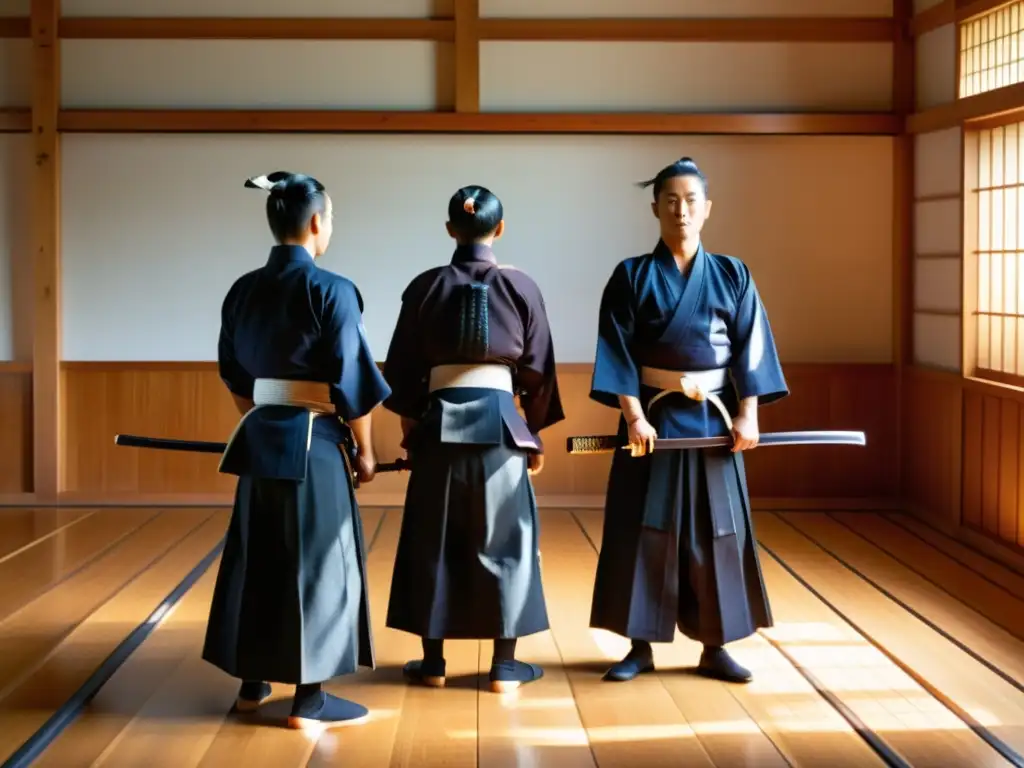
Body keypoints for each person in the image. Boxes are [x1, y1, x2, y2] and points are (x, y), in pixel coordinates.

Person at [588, 157, 788, 684]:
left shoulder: (732, 274)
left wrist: (747, 414)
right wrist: (632, 416)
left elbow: (752, 349)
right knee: (645, 529)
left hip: (714, 423)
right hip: (651, 420)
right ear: (654, 207)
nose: (681, 210)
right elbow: (617, 351)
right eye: (671, 200)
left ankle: (715, 645)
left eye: (691, 200)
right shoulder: (631, 275)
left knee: (717, 533)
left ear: (708, 209)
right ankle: (639, 645)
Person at [202, 171, 391, 729]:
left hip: (259, 442)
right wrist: (365, 451)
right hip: (316, 445)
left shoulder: (242, 290)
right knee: (319, 563)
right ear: (315, 223)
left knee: (258, 556)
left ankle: (251, 685)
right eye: (329, 218)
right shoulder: (332, 290)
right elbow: (353, 380)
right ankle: (308, 700)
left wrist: (262, 420)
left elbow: (235, 375)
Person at [381, 185, 564, 693]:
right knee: (506, 538)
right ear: (499, 229)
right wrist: (534, 434)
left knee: (431, 535)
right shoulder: (521, 287)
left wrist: (412, 425)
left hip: (438, 422)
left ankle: (433, 662)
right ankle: (504, 666)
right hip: (502, 425)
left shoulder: (424, 287)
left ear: (449, 230)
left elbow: (401, 369)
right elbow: (539, 370)